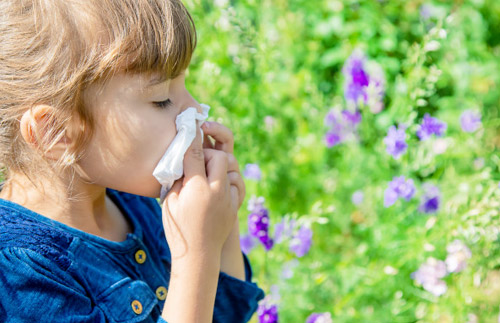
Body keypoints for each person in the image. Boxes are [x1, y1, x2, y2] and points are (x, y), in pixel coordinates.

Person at [0, 0, 265, 322]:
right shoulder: (22, 276)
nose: (194, 109)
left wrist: (220, 226)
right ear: (56, 132)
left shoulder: (133, 203)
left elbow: (227, 316)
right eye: (161, 99)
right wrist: (196, 253)